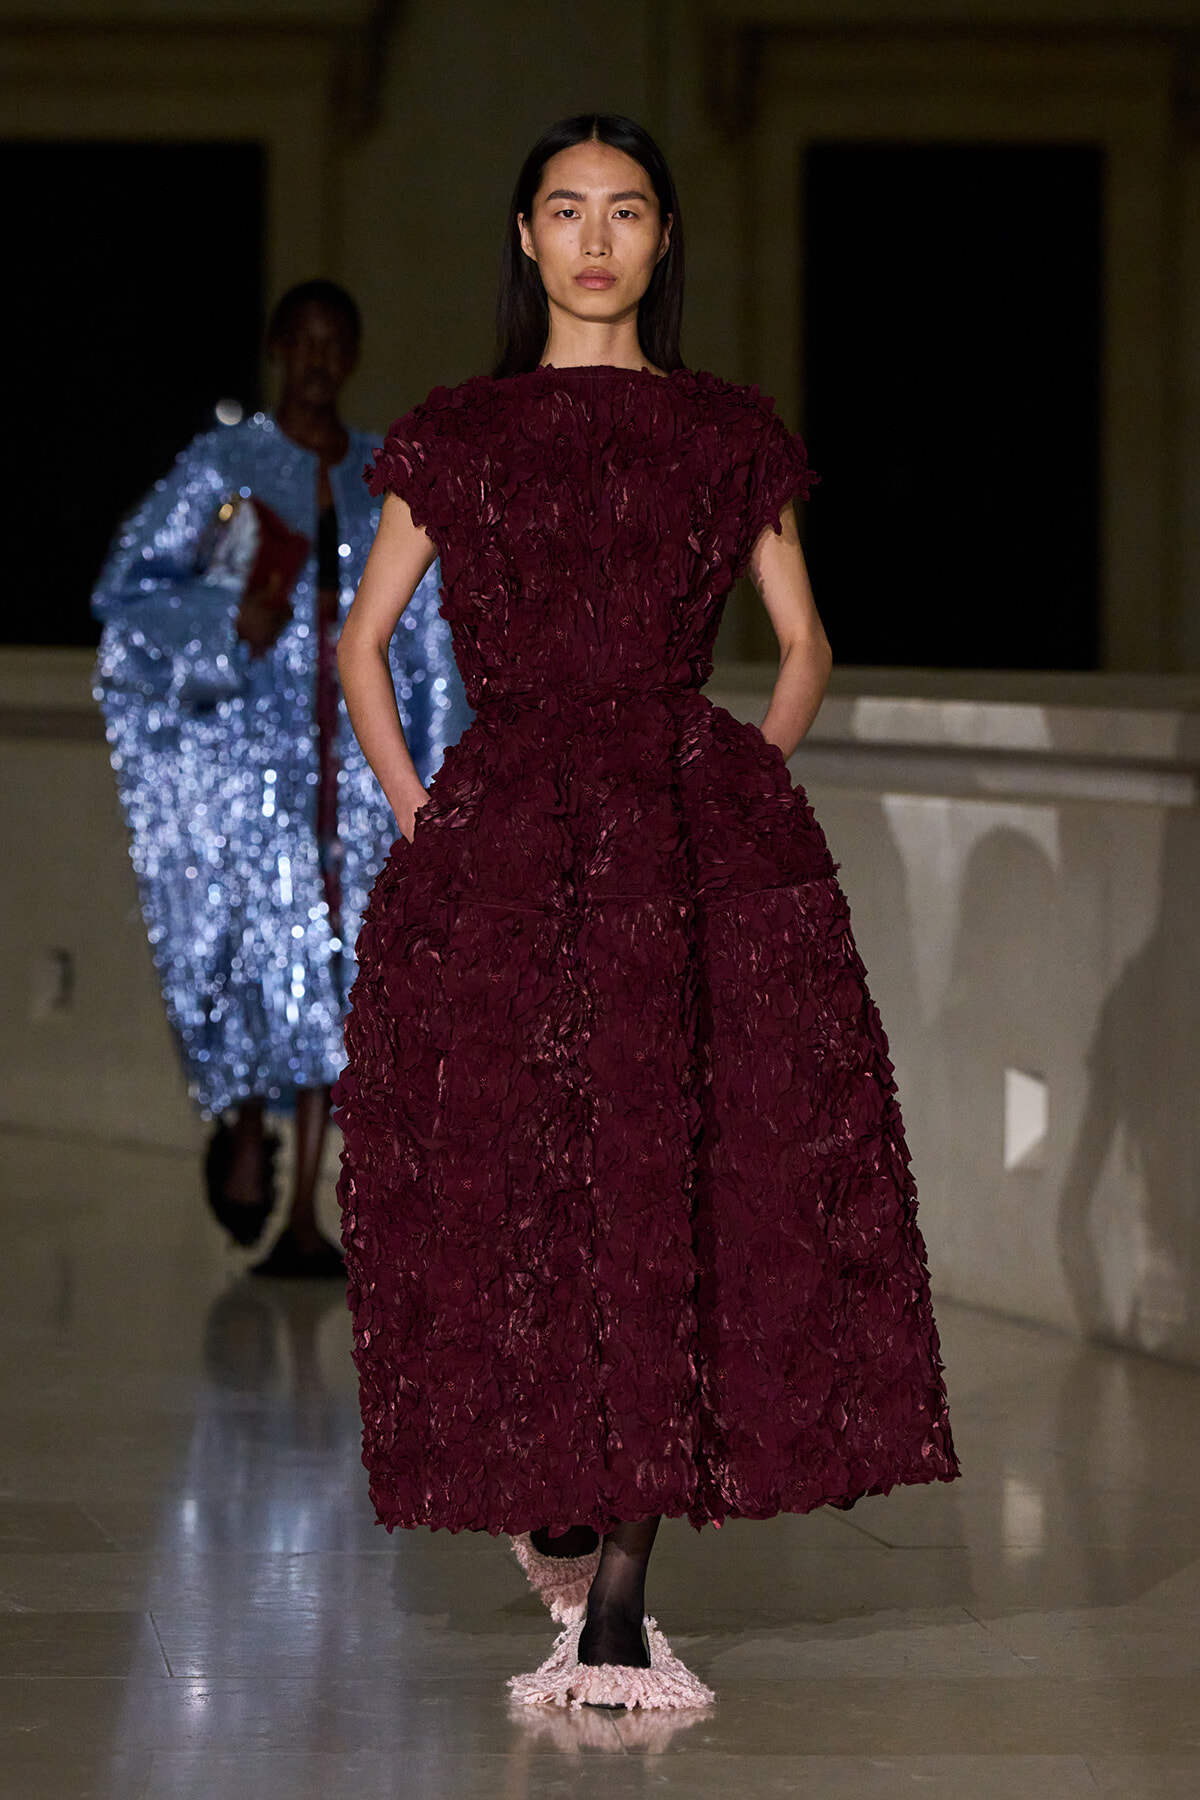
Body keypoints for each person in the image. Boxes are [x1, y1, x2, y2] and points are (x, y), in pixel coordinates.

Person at [334, 117, 958, 1707]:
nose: (597, 238)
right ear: (525, 236)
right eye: (567, 209)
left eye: (625, 211)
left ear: (665, 238)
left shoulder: (725, 434)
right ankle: (558, 1476)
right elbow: (360, 644)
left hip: (684, 850)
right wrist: (419, 812)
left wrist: (740, 781)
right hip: (509, 845)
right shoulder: (461, 434)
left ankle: (618, 1598)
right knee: (529, 1174)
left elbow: (806, 642)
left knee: (675, 1187)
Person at [94, 281, 469, 1278]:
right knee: (268, 957)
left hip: (356, 769)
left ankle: (308, 1204)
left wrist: (439, 774)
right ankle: (253, 1138)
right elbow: (129, 592)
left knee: (344, 971)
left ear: (351, 357)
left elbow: (427, 637)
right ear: (276, 348)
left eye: (334, 343)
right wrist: (226, 623)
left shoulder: (383, 479)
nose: (317, 359)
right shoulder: (223, 466)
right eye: (302, 340)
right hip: (252, 767)